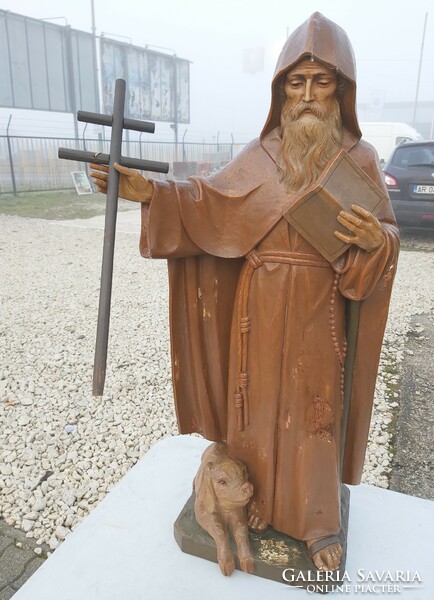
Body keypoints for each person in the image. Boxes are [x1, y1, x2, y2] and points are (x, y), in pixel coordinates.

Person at [90, 12, 399, 572]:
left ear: (342, 89)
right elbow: (207, 202)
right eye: (296, 82)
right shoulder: (260, 156)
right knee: (253, 406)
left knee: (314, 414)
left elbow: (388, 236)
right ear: (281, 88)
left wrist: (377, 239)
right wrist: (151, 193)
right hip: (256, 307)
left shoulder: (361, 160)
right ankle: (250, 504)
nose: (307, 95)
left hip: (318, 308)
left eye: (321, 82)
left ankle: (316, 521)